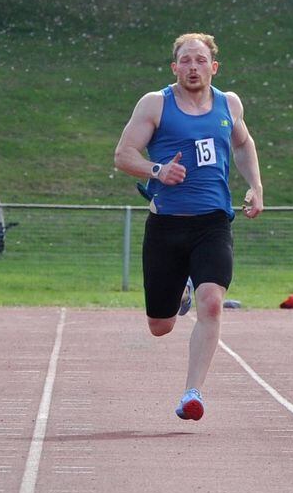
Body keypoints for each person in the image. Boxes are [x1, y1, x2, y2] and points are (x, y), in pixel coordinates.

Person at [113, 32, 264, 421]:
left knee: (212, 302)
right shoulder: (155, 104)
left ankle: (191, 392)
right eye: (186, 61)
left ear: (213, 67)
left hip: (212, 223)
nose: (193, 67)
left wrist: (255, 186)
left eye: (200, 60)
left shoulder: (229, 104)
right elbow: (123, 155)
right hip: (166, 227)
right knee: (160, 326)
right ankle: (179, 294)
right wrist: (157, 171)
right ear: (174, 67)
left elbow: (244, 144)